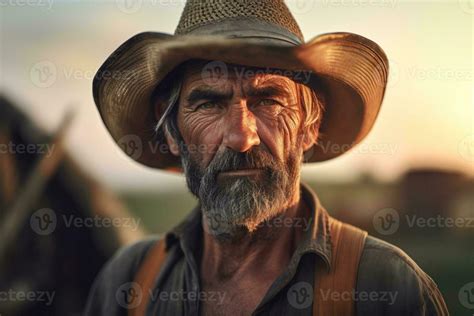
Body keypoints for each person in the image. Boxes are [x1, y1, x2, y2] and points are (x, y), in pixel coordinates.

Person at [85, 0, 448, 315]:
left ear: (310, 125)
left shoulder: (386, 287)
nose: (242, 137)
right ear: (171, 132)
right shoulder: (129, 283)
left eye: (269, 101)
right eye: (209, 103)